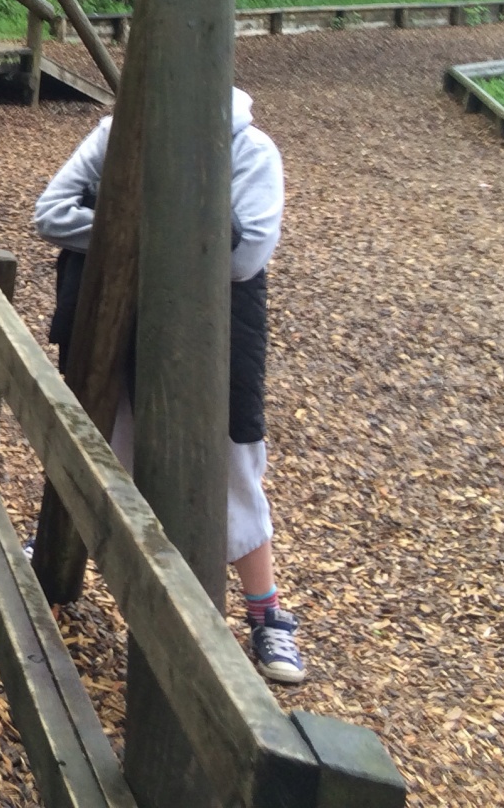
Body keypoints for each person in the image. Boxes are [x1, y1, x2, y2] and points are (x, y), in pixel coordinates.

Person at [31, 88, 304, 686]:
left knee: (231, 465)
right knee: (106, 441)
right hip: (121, 322)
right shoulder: (114, 138)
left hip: (215, 335)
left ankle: (266, 613)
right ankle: (55, 551)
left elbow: (246, 253)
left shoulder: (250, 151)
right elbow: (49, 213)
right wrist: (165, 231)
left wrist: (132, 227)